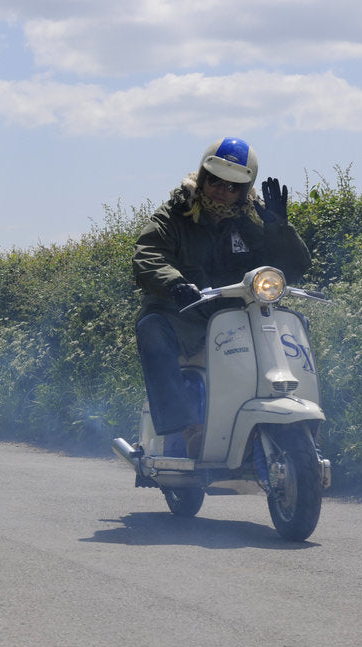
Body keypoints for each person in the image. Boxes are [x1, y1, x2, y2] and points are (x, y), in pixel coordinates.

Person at [133, 137, 312, 457]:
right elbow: (147, 256)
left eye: (233, 187)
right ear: (202, 177)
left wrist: (279, 227)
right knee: (152, 328)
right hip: (185, 314)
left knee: (294, 327)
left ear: (244, 190)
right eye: (214, 181)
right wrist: (174, 284)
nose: (222, 191)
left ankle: (295, 422)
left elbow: (293, 267)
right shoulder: (176, 213)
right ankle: (185, 428)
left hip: (238, 314)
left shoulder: (252, 219)